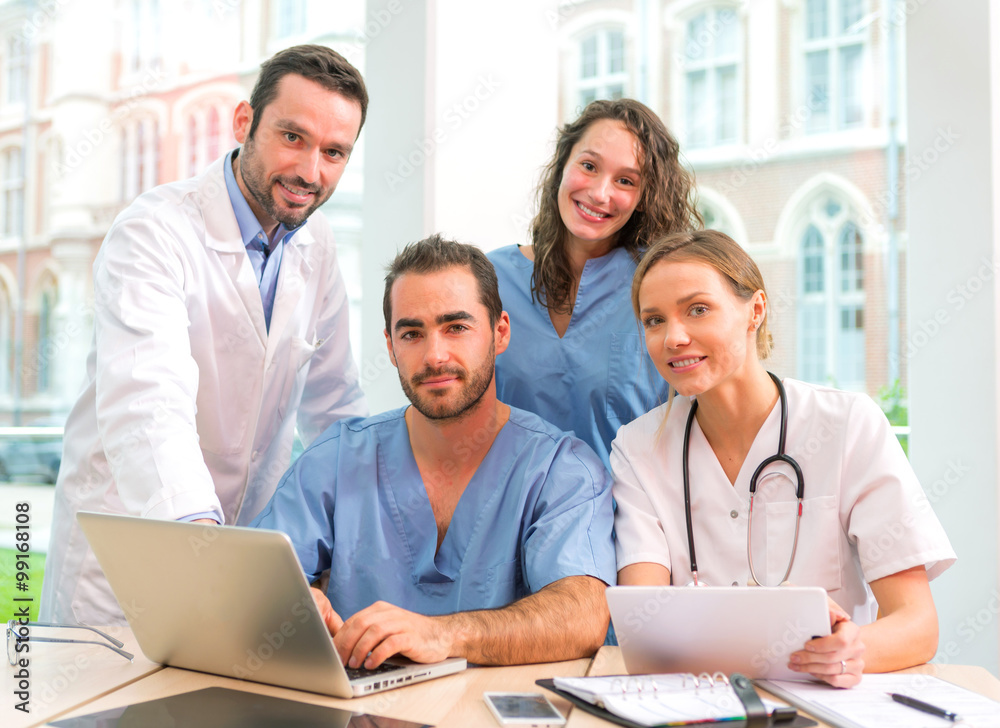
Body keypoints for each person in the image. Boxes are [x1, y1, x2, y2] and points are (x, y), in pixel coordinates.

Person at [42, 45, 369, 625]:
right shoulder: (154, 231)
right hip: (124, 561)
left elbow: (335, 411)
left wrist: (367, 545)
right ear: (244, 122)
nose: (310, 172)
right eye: (292, 137)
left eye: (334, 152)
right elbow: (148, 405)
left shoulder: (317, 248)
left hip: (234, 558)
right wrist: (212, 558)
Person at [252, 235, 616, 669]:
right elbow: (249, 584)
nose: (434, 355)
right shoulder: (335, 459)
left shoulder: (560, 470)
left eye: (456, 327)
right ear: (390, 347)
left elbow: (583, 615)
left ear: (500, 332)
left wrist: (444, 634)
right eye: (412, 333)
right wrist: (290, 605)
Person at [611, 230, 955, 688]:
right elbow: (647, 631)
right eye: (653, 320)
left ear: (755, 311)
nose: (673, 337)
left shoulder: (848, 425)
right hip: (700, 706)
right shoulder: (637, 449)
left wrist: (854, 650)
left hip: (825, 702)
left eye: (697, 309)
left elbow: (917, 624)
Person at [488, 98, 700, 466]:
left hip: (627, 518)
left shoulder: (659, 289)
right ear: (562, 164)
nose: (601, 194)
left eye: (625, 180)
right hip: (506, 515)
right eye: (589, 166)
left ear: (644, 198)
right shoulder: (490, 280)